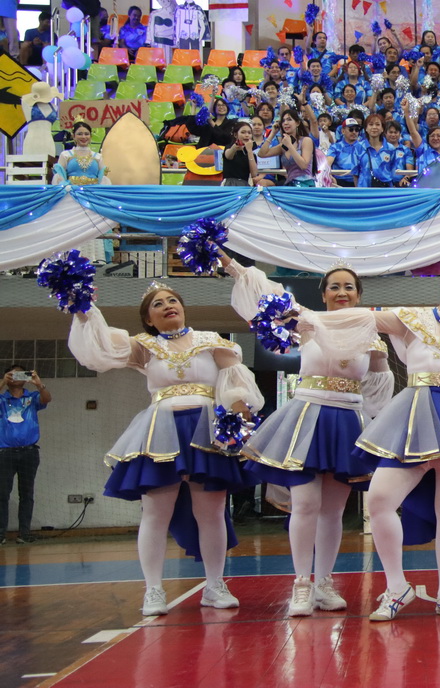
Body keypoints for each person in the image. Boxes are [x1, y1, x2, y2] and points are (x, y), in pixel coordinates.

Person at [297, 258, 440, 621]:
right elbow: (361, 318)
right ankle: (396, 587)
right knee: (380, 500)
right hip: (413, 419)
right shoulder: (411, 319)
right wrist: (306, 317)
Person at [67, 283, 263, 615]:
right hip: (161, 432)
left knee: (212, 512)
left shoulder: (212, 341)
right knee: (155, 513)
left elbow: (236, 384)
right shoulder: (144, 346)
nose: (168, 305)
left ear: (183, 307)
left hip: (207, 430)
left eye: (173, 300)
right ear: (149, 319)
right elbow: (99, 346)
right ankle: (153, 590)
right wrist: (84, 310)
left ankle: (214, 585)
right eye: (158, 304)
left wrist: (240, 420)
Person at [222, 256, 393, 616]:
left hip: (347, 422)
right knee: (305, 504)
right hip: (306, 418)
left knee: (333, 511)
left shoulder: (372, 336)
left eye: (349, 286)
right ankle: (301, 583)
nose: (342, 291)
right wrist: (227, 260)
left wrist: (372, 425)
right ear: (324, 294)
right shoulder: (307, 320)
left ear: (359, 295)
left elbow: (379, 388)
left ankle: (324, 583)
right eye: (335, 286)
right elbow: (263, 290)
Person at [0, 365, 51, 544]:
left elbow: (47, 399)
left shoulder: (32, 397)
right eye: (12, 374)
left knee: (27, 493)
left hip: (29, 452)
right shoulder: (2, 398)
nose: (16, 377)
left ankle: (24, 533)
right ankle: (1, 534)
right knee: (2, 494)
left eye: (20, 374)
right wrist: (3, 382)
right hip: (5, 453)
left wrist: (38, 384)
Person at [52, 121, 109, 185]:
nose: (83, 137)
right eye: (80, 134)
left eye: (86, 134)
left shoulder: (98, 157)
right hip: (71, 190)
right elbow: (60, 177)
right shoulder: (65, 155)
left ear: (91, 136)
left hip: (94, 190)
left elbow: (102, 179)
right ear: (73, 136)